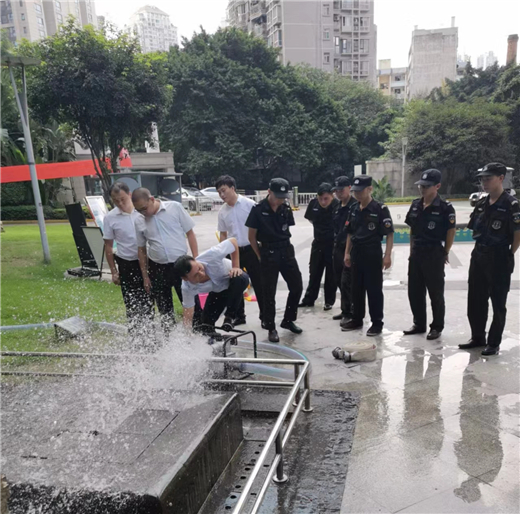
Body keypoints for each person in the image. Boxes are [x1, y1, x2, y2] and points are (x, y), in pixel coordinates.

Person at [459, 162, 520, 356]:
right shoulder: (481, 204)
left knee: (497, 301)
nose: (484, 182)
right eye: (482, 179)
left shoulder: (511, 204)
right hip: (479, 254)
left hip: (500, 256)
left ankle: (493, 343)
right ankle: (478, 337)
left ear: (501, 178)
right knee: (475, 299)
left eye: (488, 178)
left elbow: (518, 233)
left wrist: (510, 254)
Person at [132, 187, 198, 334]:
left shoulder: (174, 208)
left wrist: (196, 260)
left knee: (191, 301)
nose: (143, 213)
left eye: (144, 208)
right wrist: (145, 277)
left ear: (152, 200)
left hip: (180, 263)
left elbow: (190, 233)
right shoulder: (139, 220)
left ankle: (199, 332)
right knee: (164, 307)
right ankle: (169, 336)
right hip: (157, 266)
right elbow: (141, 249)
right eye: (139, 210)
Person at [246, 178, 303, 343]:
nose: (281, 199)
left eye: (283, 196)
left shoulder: (286, 209)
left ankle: (288, 319)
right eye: (278, 196)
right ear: (269, 192)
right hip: (268, 252)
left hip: (286, 250)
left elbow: (286, 230)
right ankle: (270, 326)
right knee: (268, 292)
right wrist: (259, 254)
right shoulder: (258, 210)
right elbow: (251, 237)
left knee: (297, 286)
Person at [404, 169, 456, 340]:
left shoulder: (445, 208)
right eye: (421, 186)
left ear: (437, 186)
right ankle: (419, 323)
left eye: (427, 186)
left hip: (434, 253)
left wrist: (445, 252)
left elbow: (450, 231)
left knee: (435, 293)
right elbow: (412, 229)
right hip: (417, 253)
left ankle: (436, 326)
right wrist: (411, 250)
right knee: (415, 291)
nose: (422, 189)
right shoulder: (415, 205)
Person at [342, 176, 394, 336]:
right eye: (355, 191)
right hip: (356, 252)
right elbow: (350, 233)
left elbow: (390, 233)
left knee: (374, 290)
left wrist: (387, 256)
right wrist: (347, 253)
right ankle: (357, 319)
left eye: (360, 190)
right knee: (356, 289)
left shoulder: (380, 209)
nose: (357, 194)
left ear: (369, 189)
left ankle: (377, 322)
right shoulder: (353, 208)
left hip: (372, 252)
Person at [103, 182, 153, 335]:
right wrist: (113, 271)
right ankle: (135, 335)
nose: (119, 203)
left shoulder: (143, 212)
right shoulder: (110, 217)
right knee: (131, 302)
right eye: (115, 200)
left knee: (149, 299)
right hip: (127, 263)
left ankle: (149, 333)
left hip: (148, 260)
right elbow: (108, 246)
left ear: (129, 194)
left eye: (122, 199)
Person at [216, 175, 263, 325]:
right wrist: (223, 254)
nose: (222, 195)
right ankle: (239, 316)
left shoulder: (250, 205)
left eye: (224, 191)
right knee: (236, 284)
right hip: (233, 252)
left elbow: (260, 227)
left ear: (232, 188)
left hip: (251, 250)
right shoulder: (222, 212)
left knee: (260, 284)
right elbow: (223, 234)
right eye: (219, 193)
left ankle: (265, 317)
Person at [175, 238, 250, 332]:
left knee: (239, 279)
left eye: (199, 268)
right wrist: (187, 334)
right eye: (196, 275)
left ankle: (229, 317)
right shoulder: (187, 287)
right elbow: (188, 312)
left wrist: (236, 266)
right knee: (205, 325)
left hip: (235, 280)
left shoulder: (211, 255)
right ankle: (212, 338)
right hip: (219, 291)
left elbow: (233, 241)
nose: (201, 274)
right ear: (185, 279)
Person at [299, 182, 339, 310]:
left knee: (331, 274)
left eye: (326, 198)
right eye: (320, 198)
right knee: (314, 271)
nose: (323, 201)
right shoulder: (313, 204)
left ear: (332, 196)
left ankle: (329, 301)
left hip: (332, 243)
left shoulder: (338, 206)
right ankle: (309, 299)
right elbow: (310, 218)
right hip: (318, 242)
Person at [331, 176, 358, 328]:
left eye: (342, 190)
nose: (339, 193)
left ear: (349, 188)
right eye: (337, 190)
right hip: (337, 246)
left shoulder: (355, 206)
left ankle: (350, 312)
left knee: (347, 281)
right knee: (338, 279)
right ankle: (345, 308)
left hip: (351, 248)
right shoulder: (337, 206)